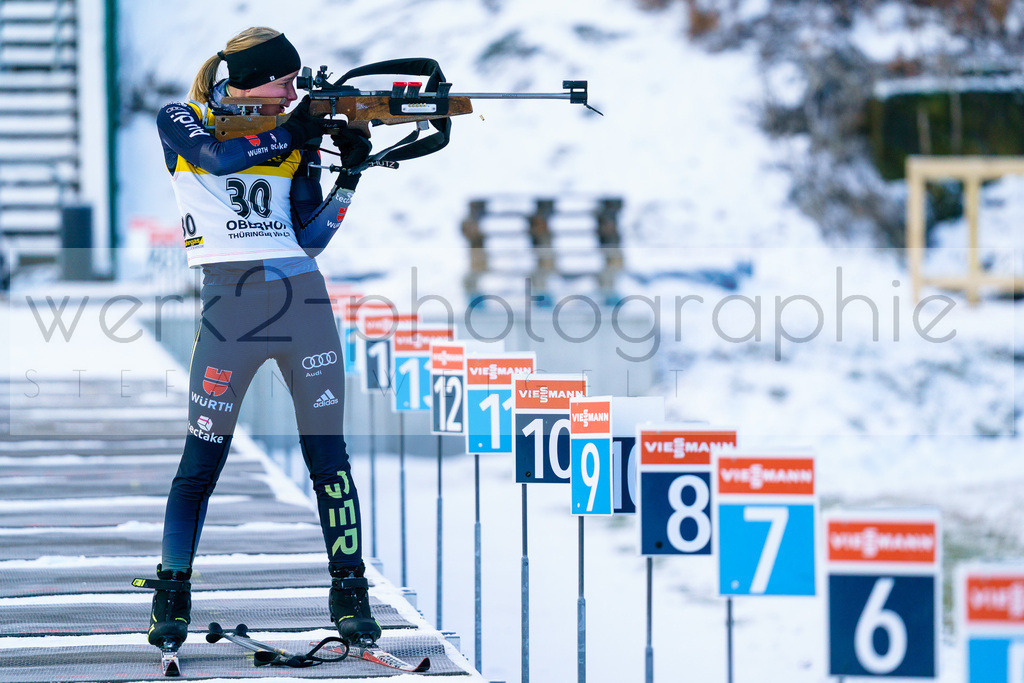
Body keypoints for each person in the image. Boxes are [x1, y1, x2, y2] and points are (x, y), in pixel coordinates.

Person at [140, 27, 379, 653]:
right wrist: (296, 128)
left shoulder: (292, 136)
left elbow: (309, 237)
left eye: (298, 84)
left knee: (329, 458)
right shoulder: (182, 117)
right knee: (201, 461)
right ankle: (172, 593)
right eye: (285, 81)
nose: (293, 91)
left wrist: (349, 176)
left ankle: (351, 594)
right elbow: (219, 160)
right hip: (230, 308)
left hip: (303, 299)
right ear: (251, 79)